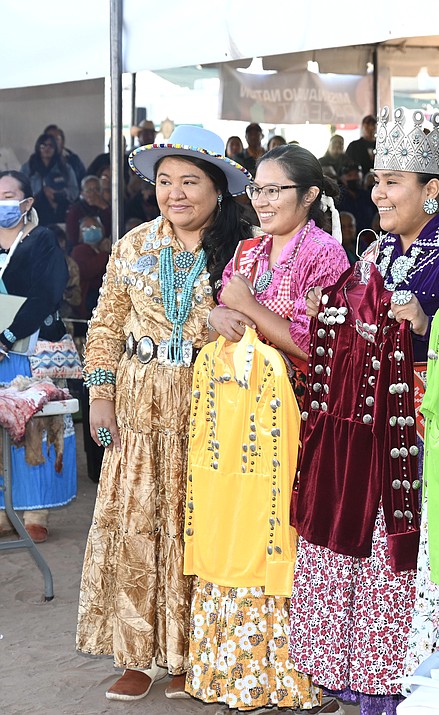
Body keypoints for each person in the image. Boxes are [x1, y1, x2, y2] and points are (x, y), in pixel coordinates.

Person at [289, 107, 439, 715]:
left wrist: (432, 326)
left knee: (403, 553)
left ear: (432, 190)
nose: (378, 193)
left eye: (394, 181)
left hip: (422, 434)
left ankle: (409, 683)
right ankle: (361, 679)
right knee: (364, 547)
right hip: (366, 428)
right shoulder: (378, 251)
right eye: (377, 180)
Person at [75, 125, 253, 701]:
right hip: (138, 404)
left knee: (198, 523)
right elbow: (103, 325)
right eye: (165, 182)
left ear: (217, 189)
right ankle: (138, 652)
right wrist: (100, 396)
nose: (175, 193)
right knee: (136, 523)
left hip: (208, 405)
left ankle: (190, 650)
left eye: (189, 182)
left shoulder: (242, 249)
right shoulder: (132, 244)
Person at [186, 143, 349, 711]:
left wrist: (247, 306)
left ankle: (289, 675)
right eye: (257, 189)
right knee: (233, 527)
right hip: (237, 422)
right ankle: (233, 670)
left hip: (299, 423)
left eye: (277, 189)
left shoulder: (325, 256)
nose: (263, 200)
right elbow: (216, 315)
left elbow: (315, 345)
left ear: (309, 197)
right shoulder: (249, 250)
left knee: (279, 534)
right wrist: (216, 314)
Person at [0, 171, 75, 544]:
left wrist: (8, 335)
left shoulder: (41, 240)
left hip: (30, 349)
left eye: (9, 195)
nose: (3, 202)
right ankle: (3, 508)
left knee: (37, 425)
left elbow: (48, 291)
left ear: (26, 202)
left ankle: (35, 511)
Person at [21, 133, 79, 225]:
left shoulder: (65, 168)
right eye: (43, 145)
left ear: (55, 148)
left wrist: (58, 194)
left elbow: (74, 191)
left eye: (51, 146)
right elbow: (21, 190)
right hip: (34, 211)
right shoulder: (28, 167)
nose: (47, 149)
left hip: (59, 211)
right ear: (38, 147)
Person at [70, 216, 111, 320]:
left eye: (93, 227)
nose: (90, 231)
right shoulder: (79, 250)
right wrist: (104, 253)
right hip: (89, 297)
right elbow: (87, 271)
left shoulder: (109, 246)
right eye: (85, 229)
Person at [65, 175, 112, 248]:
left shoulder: (106, 206)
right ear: (83, 193)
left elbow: (113, 228)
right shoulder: (75, 210)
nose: (93, 194)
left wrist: (104, 207)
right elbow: (72, 237)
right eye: (89, 191)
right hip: (81, 247)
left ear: (101, 191)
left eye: (97, 189)